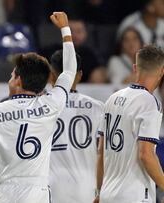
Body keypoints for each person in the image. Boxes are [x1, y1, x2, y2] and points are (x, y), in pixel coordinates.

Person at [0, 11, 77, 203]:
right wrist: (65, 29)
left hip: (5, 192)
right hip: (37, 193)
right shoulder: (51, 104)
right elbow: (69, 71)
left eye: (12, 75)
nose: (9, 80)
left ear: (18, 80)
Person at [94, 45, 164, 203]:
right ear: (162, 71)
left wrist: (99, 191)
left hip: (107, 193)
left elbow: (100, 151)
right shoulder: (150, 103)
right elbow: (146, 154)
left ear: (134, 68)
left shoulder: (112, 98)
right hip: (134, 195)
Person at [48, 50, 104, 203]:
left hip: (50, 190)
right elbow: (106, 155)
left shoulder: (39, 108)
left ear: (51, 75)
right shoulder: (99, 108)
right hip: (88, 190)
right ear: (79, 75)